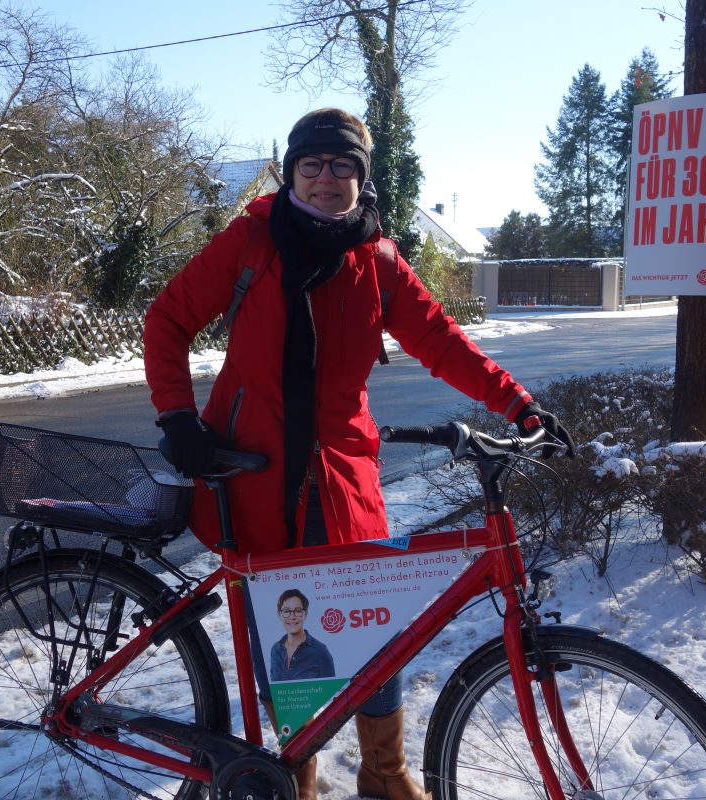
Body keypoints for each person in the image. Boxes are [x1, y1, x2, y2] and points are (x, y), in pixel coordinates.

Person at [143, 107, 572, 800]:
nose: (325, 179)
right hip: (253, 474)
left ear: (360, 177)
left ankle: (385, 772)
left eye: (342, 165)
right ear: (291, 174)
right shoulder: (251, 241)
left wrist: (518, 404)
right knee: (287, 643)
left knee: (377, 629)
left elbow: (441, 341)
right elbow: (166, 319)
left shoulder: (376, 260)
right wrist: (176, 417)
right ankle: (295, 782)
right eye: (311, 165)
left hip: (343, 477)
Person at [269, 589, 335, 683]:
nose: (292, 617)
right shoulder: (275, 650)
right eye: (286, 611)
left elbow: (332, 690)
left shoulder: (320, 651)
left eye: (298, 611)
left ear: (305, 613)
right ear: (279, 614)